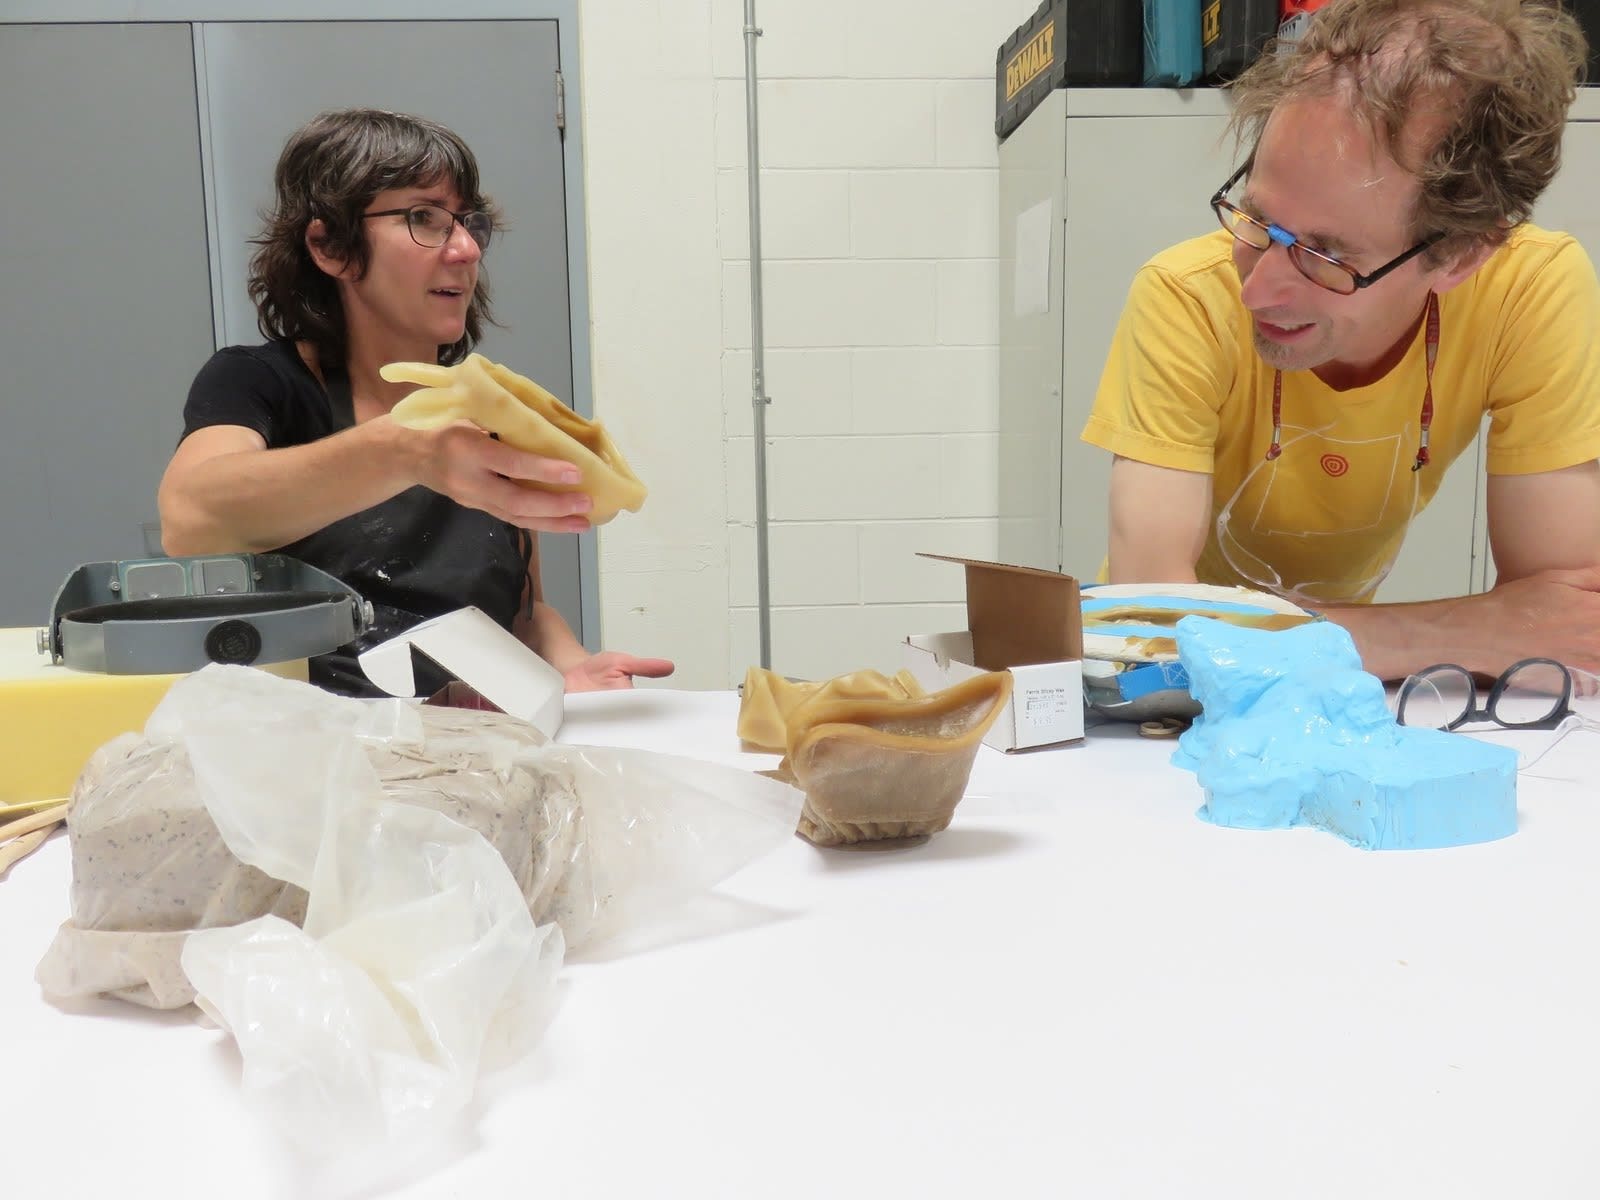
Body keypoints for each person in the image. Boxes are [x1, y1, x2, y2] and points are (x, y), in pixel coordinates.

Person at [1081, 0, 1600, 680]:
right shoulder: (1186, 296)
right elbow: (1150, 629)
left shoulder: (1530, 289)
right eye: (1258, 220)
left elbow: (1566, 628)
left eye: (1325, 256)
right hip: (1162, 712)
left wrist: (1303, 637)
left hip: (1327, 688)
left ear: (1463, 254)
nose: (1258, 289)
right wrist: (1442, 634)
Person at [158, 108, 673, 696]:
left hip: (480, 756)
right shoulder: (259, 382)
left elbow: (525, 610)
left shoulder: (493, 413)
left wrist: (569, 664)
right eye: (424, 218)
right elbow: (191, 519)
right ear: (330, 248)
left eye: (467, 223)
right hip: (322, 764)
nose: (465, 250)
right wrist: (405, 452)